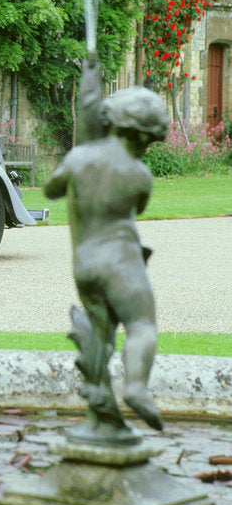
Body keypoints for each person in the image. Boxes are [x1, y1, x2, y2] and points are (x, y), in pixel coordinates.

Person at [43, 59, 170, 433]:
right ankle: (135, 387)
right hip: (121, 262)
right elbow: (137, 209)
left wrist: (76, 162)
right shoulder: (140, 176)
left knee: (101, 336)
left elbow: (51, 189)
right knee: (142, 325)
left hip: (84, 265)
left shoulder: (81, 158)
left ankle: (100, 405)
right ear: (142, 135)